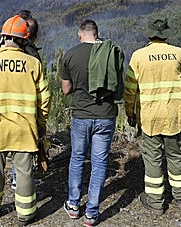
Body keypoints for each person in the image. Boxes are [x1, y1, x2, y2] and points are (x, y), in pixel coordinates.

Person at [0, 15, 51, 226]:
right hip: (24, 129)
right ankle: (25, 215)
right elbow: (45, 98)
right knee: (25, 173)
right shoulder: (33, 63)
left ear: (4, 37)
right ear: (25, 40)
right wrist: (41, 124)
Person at [124, 15, 181, 215]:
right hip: (173, 115)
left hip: (149, 117)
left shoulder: (138, 56)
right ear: (166, 34)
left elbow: (129, 90)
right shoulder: (179, 53)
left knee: (152, 159)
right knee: (175, 155)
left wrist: (130, 112)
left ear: (150, 34)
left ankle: (155, 203)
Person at [60, 19, 124, 227]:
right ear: (97, 34)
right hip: (105, 115)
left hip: (81, 115)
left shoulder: (70, 54)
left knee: (77, 158)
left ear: (80, 35)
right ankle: (92, 213)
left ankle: (73, 205)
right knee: (99, 163)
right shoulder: (108, 51)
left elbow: (65, 90)